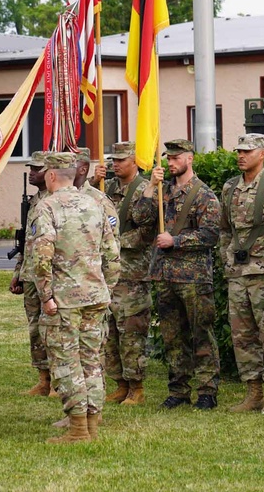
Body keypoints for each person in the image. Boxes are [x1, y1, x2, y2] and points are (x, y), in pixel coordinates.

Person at [33, 152, 120, 443]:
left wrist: (46, 296)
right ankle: (92, 423)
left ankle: (79, 429)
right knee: (92, 361)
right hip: (95, 296)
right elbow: (112, 252)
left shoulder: (47, 206)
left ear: (52, 175)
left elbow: (42, 256)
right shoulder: (95, 203)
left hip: (65, 300)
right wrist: (105, 287)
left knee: (67, 362)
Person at [219, 133, 264, 414]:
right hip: (238, 274)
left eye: (247, 151)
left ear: (262, 154)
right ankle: (253, 392)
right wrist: (226, 260)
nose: (241, 155)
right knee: (242, 336)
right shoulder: (229, 188)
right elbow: (225, 230)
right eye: (239, 151)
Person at [146, 139, 222, 410]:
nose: (170, 162)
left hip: (193, 277)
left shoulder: (204, 195)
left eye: (176, 157)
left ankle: (207, 391)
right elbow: (142, 216)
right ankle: (178, 390)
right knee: (172, 336)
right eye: (169, 158)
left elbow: (210, 235)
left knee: (201, 333)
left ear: (189, 159)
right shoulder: (162, 191)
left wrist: (175, 241)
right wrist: (148, 186)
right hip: (166, 275)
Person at [101, 141, 157, 407]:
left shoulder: (145, 190)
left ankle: (137, 386)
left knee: (132, 331)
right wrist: (93, 179)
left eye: (121, 160)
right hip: (109, 273)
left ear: (135, 161)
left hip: (133, 273)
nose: (116, 164)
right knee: (111, 331)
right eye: (114, 160)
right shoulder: (108, 187)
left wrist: (114, 242)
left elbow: (147, 231)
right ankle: (120, 383)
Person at [9, 152, 54, 397]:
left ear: (51, 172)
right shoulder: (35, 200)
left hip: (48, 274)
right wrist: (18, 272)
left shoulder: (56, 200)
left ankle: (58, 380)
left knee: (52, 329)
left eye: (37, 169)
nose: (32, 173)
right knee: (35, 328)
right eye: (31, 168)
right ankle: (43, 378)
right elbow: (27, 241)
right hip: (30, 274)